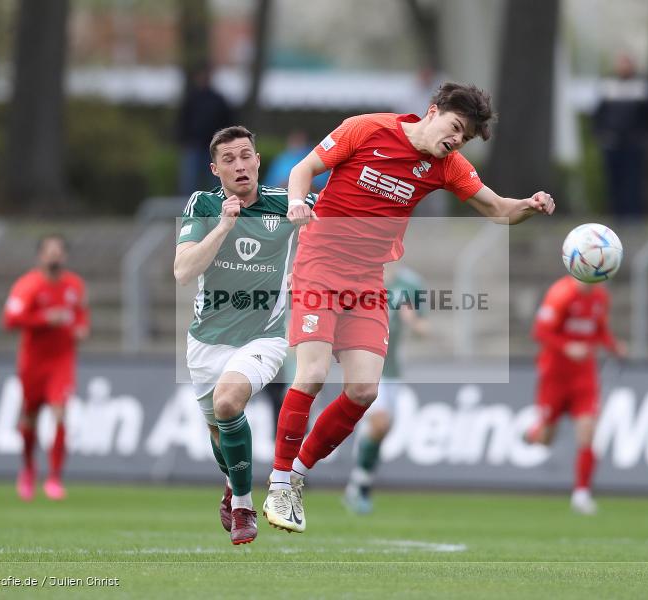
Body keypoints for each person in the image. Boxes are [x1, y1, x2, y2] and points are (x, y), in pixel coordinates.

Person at [264, 82, 556, 533]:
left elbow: (498, 210)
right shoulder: (366, 129)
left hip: (367, 281)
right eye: (456, 128)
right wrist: (300, 203)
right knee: (313, 372)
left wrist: (529, 205)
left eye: (465, 137)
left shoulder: (447, 166)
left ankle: (298, 475)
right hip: (319, 264)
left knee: (364, 393)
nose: (458, 140)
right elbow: (304, 169)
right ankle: (279, 480)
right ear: (433, 111)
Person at [174, 125, 316, 545]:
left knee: (228, 401)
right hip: (206, 341)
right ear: (215, 168)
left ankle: (242, 506)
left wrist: (306, 259)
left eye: (246, 155)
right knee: (220, 436)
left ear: (258, 160)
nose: (240, 165)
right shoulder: (203, 204)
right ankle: (231, 482)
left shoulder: (285, 203)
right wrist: (221, 227)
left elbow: (343, 218)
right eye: (229, 159)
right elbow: (183, 272)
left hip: (264, 338)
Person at [524, 275, 627, 515]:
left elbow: (599, 330)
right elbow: (540, 332)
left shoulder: (601, 296)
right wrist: (567, 347)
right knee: (546, 437)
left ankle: (581, 494)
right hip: (555, 376)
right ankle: (532, 434)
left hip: (584, 377)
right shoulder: (561, 294)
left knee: (588, 431)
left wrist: (614, 345)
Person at [2, 234, 89, 502]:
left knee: (60, 414)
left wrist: (81, 328)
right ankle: (28, 468)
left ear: (64, 256)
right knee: (29, 417)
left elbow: (81, 314)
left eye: (58, 251)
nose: (54, 256)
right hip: (33, 362)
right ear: (40, 256)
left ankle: (54, 477)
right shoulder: (27, 285)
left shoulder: (74, 285)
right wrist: (44, 318)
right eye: (49, 251)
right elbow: (10, 319)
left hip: (61, 360)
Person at [343, 264, 429, 514]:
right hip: (364, 366)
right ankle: (359, 486)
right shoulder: (357, 277)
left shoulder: (410, 284)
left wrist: (412, 320)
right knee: (380, 422)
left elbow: (425, 329)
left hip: (392, 372)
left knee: (382, 430)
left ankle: (359, 484)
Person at [592, 52, 648, 217]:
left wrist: (643, 137)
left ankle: (634, 216)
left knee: (633, 182)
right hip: (612, 143)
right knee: (614, 182)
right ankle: (617, 215)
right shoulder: (608, 85)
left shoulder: (642, 87)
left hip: (634, 144)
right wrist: (602, 135)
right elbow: (599, 115)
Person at [176, 64, 234, 195]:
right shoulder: (191, 99)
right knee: (190, 183)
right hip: (194, 146)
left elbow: (227, 123)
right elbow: (182, 121)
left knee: (215, 181)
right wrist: (184, 141)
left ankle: (216, 209)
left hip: (213, 148)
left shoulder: (218, 100)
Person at [264, 130, 330, 191]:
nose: (295, 144)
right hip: (280, 196)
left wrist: (295, 185)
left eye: (299, 141)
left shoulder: (316, 158)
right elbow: (270, 183)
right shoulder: (281, 158)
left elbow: (321, 185)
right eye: (293, 140)